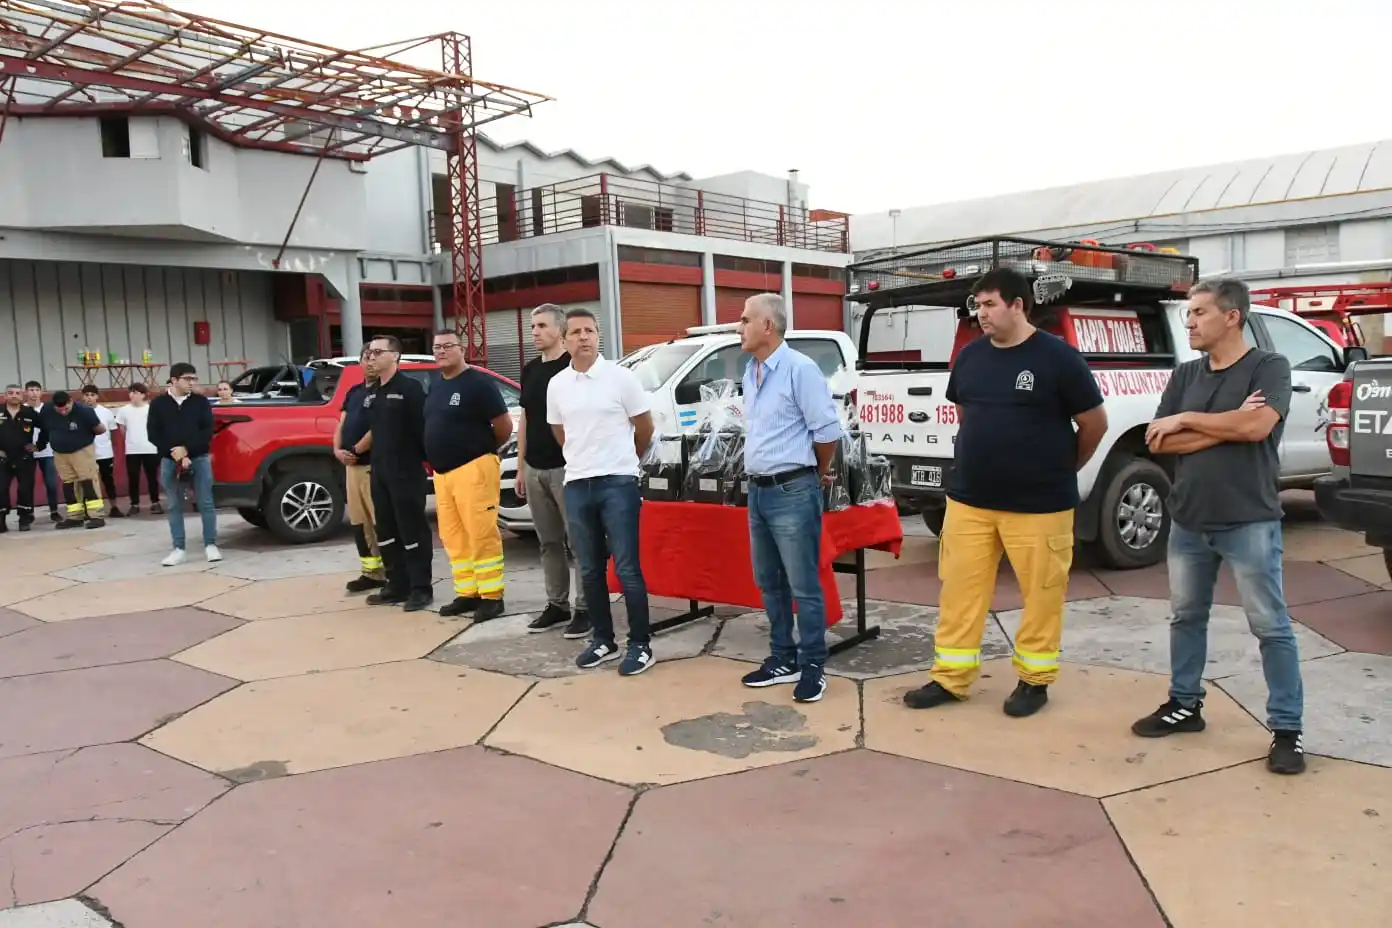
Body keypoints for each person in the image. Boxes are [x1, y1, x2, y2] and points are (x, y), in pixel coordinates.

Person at [903, 267, 1108, 718]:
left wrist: (1060, 467)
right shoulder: (971, 358)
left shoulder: (1059, 359)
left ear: (1019, 305)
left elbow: (1094, 424)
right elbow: (964, 413)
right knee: (959, 591)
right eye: (977, 306)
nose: (981, 314)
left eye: (990, 304)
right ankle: (950, 677)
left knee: (1042, 595)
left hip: (1039, 505)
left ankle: (1034, 681)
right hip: (970, 500)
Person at [1132, 277, 1305, 775]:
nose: (1189, 322)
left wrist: (1191, 420)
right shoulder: (1185, 373)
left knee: (1270, 626)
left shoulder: (1269, 367)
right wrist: (1226, 425)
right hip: (1188, 519)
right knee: (1186, 618)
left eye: (1199, 313)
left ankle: (1287, 729)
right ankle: (1184, 704)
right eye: (1188, 314)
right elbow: (1159, 443)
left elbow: (1257, 428)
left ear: (1232, 316)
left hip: (1248, 518)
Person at [734, 293, 845, 704]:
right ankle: (782, 656)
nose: (738, 326)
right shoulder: (751, 371)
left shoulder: (800, 369)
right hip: (758, 490)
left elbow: (827, 432)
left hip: (792, 488)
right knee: (768, 582)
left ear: (768, 326)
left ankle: (812, 663)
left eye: (746, 319)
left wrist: (813, 475)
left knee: (803, 583)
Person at [546, 307, 657, 675]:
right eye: (575, 332)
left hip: (618, 483)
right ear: (564, 340)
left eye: (589, 331)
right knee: (590, 569)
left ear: (598, 336)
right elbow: (561, 433)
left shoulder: (620, 379)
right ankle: (603, 639)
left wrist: (627, 462)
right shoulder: (557, 384)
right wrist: (583, 461)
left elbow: (644, 429)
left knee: (627, 568)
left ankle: (640, 645)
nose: (583, 338)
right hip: (577, 484)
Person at [426, 329, 514, 619]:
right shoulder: (437, 384)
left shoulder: (479, 383)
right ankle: (468, 593)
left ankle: (491, 596)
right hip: (443, 474)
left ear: (461, 349)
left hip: (474, 468)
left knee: (481, 533)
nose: (441, 351)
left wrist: (484, 450)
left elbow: (503, 425)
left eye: (448, 346)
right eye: (437, 347)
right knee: (453, 535)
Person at [517, 304, 590, 638]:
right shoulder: (530, 370)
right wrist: (521, 468)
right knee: (548, 542)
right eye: (532, 326)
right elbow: (526, 420)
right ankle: (556, 604)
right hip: (535, 468)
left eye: (541, 326)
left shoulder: (572, 370)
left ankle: (586, 608)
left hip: (567, 468)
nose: (534, 332)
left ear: (560, 330)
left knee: (579, 541)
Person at [350, 335, 433, 612]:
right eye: (369, 353)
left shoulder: (410, 390)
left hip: (406, 472)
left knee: (412, 530)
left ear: (395, 356)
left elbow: (423, 432)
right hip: (380, 472)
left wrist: (419, 463)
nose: (371, 357)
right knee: (385, 529)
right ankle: (397, 584)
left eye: (377, 352)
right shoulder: (373, 392)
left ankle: (421, 587)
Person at [148, 362, 219, 565]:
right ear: (174, 379)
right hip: (170, 461)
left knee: (206, 502)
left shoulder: (200, 402)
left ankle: (210, 544)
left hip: (199, 458)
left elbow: (207, 431)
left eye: (194, 378)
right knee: (174, 504)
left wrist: (187, 449)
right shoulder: (159, 404)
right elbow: (153, 434)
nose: (192, 382)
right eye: (188, 379)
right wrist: (176, 453)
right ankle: (178, 548)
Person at [335, 345, 386, 594]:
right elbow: (341, 424)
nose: (370, 362)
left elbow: (379, 428)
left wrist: (356, 450)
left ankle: (392, 572)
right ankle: (371, 573)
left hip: (372, 466)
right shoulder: (354, 392)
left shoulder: (384, 392)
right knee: (359, 522)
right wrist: (337, 450)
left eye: (374, 357)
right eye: (366, 358)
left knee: (381, 521)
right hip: (351, 468)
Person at [36, 390, 108, 530]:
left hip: (82, 450)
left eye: (66, 409)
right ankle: (75, 517)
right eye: (59, 409)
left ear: (71, 401)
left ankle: (96, 516)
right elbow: (45, 429)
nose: (63, 412)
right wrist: (40, 445)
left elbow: (100, 429)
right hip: (59, 452)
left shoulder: (84, 411)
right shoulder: (47, 410)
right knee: (68, 483)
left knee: (88, 480)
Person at [0, 384, 45, 532]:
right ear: (5, 395)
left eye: (17, 393)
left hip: (24, 458)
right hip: (2, 459)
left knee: (25, 489)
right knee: (1, 489)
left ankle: (24, 519)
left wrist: (38, 445)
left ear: (22, 396)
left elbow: (46, 428)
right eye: (10, 393)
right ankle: (1, 520)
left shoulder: (29, 412)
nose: (14, 395)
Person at [116, 384, 162, 515]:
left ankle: (155, 502)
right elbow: (122, 430)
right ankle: (134, 504)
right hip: (132, 449)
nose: (132, 395)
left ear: (143, 394)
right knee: (133, 477)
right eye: (130, 392)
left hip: (150, 448)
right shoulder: (124, 410)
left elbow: (157, 428)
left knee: (152, 477)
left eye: (135, 392)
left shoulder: (151, 409)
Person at [80, 385, 124, 517]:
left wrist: (115, 451)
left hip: (104, 453)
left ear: (97, 397)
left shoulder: (106, 412)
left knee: (108, 480)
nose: (89, 398)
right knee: (87, 482)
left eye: (92, 395)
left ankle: (114, 507)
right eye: (86, 395)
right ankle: (89, 510)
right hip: (85, 453)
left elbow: (113, 433)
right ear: (83, 397)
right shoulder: (78, 412)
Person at [25, 381, 62, 523]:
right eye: (31, 390)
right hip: (27, 452)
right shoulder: (23, 409)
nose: (34, 393)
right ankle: (28, 513)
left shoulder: (49, 409)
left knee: (51, 483)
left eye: (36, 390)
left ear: (41, 392)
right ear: (26, 392)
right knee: (27, 484)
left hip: (47, 452)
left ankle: (54, 511)